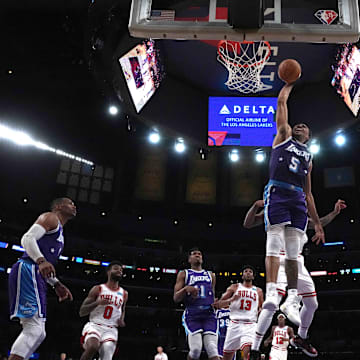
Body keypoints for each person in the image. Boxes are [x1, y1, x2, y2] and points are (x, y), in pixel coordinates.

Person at [245, 199, 346, 358]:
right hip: (279, 260)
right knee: (272, 304)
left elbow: (319, 223)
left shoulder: (302, 216)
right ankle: (255, 349)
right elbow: (248, 223)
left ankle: (301, 338)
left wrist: (334, 212)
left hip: (298, 262)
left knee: (312, 304)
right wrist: (255, 206)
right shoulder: (276, 209)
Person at [261, 82, 325, 322]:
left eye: (305, 126)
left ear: (309, 136)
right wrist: (289, 84)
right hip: (278, 192)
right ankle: (270, 292)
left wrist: (317, 223)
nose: (300, 126)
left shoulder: (309, 158)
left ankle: (291, 298)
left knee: (293, 252)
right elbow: (281, 103)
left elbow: (309, 194)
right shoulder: (283, 136)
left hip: (298, 199)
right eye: (298, 124)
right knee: (273, 241)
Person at [8, 198, 76, 360]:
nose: (74, 206)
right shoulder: (51, 217)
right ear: (59, 206)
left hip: (36, 274)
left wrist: (56, 284)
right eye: (70, 203)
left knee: (39, 333)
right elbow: (27, 238)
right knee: (34, 329)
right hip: (28, 268)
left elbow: (45, 267)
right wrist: (41, 260)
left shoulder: (60, 233)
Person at [174, 248, 219, 360]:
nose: (198, 255)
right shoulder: (184, 274)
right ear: (189, 259)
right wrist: (185, 290)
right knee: (195, 350)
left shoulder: (211, 275)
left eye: (200, 254)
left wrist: (216, 303)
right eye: (194, 254)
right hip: (192, 314)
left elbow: (212, 295)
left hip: (209, 314)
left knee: (213, 350)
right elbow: (175, 298)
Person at [79, 261, 128, 360]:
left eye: (121, 270)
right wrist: (97, 303)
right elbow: (82, 312)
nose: (119, 271)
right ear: (108, 272)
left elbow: (122, 309)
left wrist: (121, 320)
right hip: (95, 325)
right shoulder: (98, 289)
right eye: (116, 268)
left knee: (107, 355)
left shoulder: (124, 293)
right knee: (93, 346)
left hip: (111, 329)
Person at [213, 266, 263, 360]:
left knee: (247, 355)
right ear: (242, 275)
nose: (248, 273)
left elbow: (261, 308)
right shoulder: (234, 287)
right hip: (234, 324)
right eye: (246, 271)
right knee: (227, 357)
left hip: (250, 325)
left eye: (250, 272)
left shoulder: (258, 291)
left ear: (253, 276)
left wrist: (261, 312)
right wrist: (231, 300)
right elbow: (218, 304)